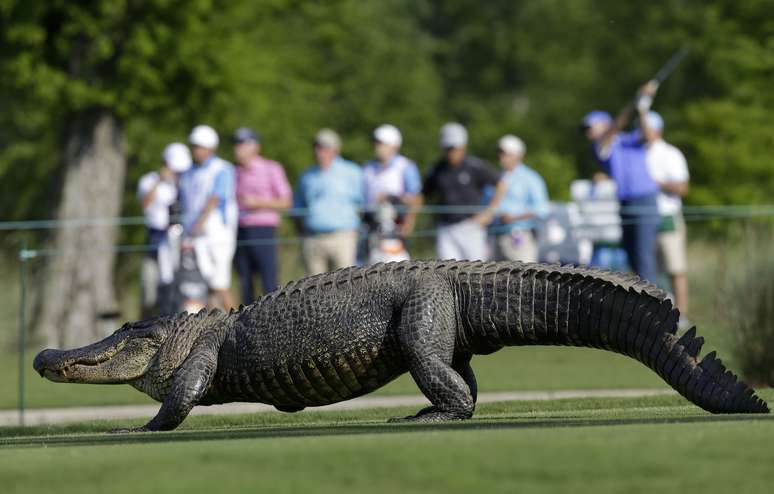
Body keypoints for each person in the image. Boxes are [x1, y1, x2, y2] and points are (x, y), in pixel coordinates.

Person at [582, 81, 661, 283]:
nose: (587, 132)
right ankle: (646, 305)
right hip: (625, 203)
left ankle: (656, 308)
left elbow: (649, 135)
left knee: (644, 257)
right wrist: (636, 101)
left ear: (605, 124)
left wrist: (642, 107)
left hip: (645, 200)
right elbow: (617, 127)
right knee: (633, 257)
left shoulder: (628, 139)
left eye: (590, 127)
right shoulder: (600, 147)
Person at [178, 124, 238, 310]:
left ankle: (238, 321)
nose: (196, 150)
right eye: (194, 146)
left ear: (211, 148)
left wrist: (200, 221)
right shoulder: (187, 172)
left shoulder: (223, 169)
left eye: (200, 146)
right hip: (195, 233)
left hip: (217, 232)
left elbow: (216, 198)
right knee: (206, 285)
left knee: (220, 284)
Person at [421, 122, 501, 261]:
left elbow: (501, 184)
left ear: (463, 147)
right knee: (446, 274)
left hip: (471, 227)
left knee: (476, 273)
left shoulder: (474, 166)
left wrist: (489, 212)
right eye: (448, 148)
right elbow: (423, 194)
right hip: (446, 229)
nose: (452, 152)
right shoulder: (437, 169)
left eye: (455, 148)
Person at [232, 127, 292, 303]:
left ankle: (273, 324)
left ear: (255, 146)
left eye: (242, 144)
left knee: (269, 282)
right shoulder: (234, 172)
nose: (237, 148)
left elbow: (286, 202)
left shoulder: (271, 168)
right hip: (240, 230)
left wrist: (258, 203)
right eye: (236, 144)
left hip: (263, 229)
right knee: (245, 283)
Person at [294, 128, 364, 275]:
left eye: (325, 147)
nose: (320, 151)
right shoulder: (307, 176)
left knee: (345, 288)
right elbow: (297, 208)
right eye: (317, 147)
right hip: (313, 238)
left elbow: (362, 202)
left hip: (343, 237)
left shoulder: (352, 172)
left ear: (336, 149)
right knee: (314, 291)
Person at [644, 111, 691, 326]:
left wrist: (655, 183)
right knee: (648, 268)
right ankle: (653, 313)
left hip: (667, 216)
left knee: (675, 268)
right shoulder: (637, 153)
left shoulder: (670, 154)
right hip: (644, 217)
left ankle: (681, 316)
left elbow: (683, 187)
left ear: (656, 130)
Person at [136, 143, 191, 317]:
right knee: (149, 293)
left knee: (177, 291)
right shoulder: (148, 180)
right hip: (155, 239)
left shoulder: (184, 184)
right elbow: (145, 205)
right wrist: (160, 180)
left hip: (178, 242)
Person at [362, 124, 422, 262]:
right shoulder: (367, 168)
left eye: (381, 143)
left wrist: (409, 221)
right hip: (371, 231)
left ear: (394, 146)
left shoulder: (406, 166)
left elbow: (416, 197)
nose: (377, 146)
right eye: (376, 143)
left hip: (396, 232)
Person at [486, 134, 550, 263]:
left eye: (505, 153)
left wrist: (514, 217)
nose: (501, 157)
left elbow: (542, 209)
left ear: (517, 155)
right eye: (500, 153)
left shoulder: (531, 178)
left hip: (521, 237)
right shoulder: (496, 177)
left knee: (524, 279)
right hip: (496, 236)